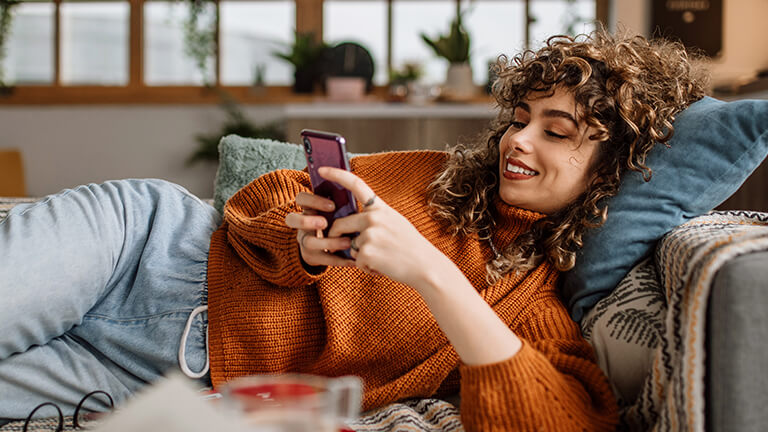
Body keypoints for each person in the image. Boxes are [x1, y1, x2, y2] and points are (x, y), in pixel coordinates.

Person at [0, 29, 708, 430]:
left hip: (171, 379)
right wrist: (299, 238)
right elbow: (269, 194)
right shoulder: (438, 175)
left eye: (558, 132)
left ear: (612, 166)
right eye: (519, 120)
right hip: (144, 246)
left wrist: (427, 271)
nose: (519, 143)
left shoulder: (538, 307)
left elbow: (558, 421)